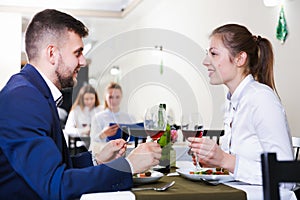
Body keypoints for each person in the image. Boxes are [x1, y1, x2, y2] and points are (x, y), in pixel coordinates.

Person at [0, 9, 161, 199]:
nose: (83, 61)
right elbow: (55, 184)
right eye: (77, 53)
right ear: (52, 54)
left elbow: (52, 166)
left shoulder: (32, 91)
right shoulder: (23, 98)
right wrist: (129, 166)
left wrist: (97, 159)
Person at [189, 24, 294, 187]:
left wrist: (225, 160)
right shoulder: (234, 101)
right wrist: (214, 161)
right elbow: (239, 167)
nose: (205, 61)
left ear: (240, 59)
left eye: (214, 54)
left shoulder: (261, 99)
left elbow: (285, 176)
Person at [90, 82, 138, 150]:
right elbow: (93, 142)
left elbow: (136, 140)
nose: (114, 100)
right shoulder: (98, 117)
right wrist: (103, 134)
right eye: (111, 97)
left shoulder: (130, 118)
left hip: (126, 152)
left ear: (121, 97)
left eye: (117, 97)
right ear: (105, 98)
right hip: (105, 153)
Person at [64, 84, 103, 150]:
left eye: (92, 99)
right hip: (81, 145)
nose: (89, 102)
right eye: (86, 99)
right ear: (82, 99)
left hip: (98, 144)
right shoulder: (75, 111)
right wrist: (82, 131)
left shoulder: (100, 110)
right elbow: (68, 130)